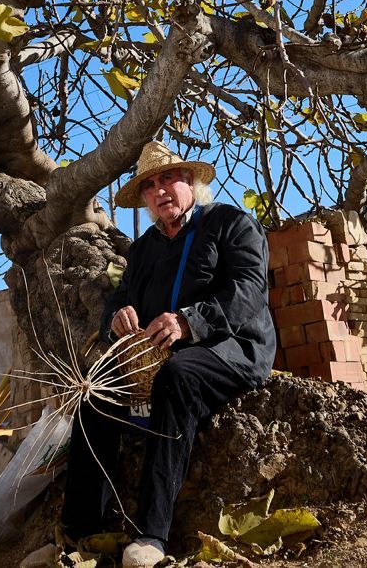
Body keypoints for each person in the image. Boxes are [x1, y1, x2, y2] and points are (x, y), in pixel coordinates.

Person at [61, 141, 277, 568]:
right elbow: (119, 301)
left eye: (169, 179)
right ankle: (79, 532)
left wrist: (190, 322)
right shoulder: (142, 250)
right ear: (143, 197)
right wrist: (117, 318)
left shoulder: (232, 224)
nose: (160, 191)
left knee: (177, 377)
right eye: (150, 185)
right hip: (157, 355)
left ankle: (152, 534)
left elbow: (250, 290)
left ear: (191, 181)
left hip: (231, 348)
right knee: (94, 396)